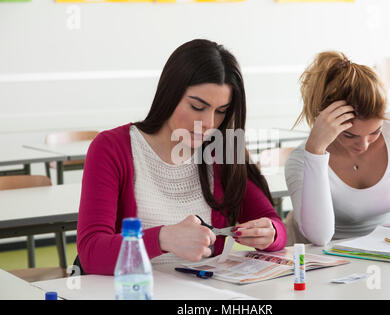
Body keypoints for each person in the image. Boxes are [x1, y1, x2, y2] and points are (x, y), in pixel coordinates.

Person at [75, 39, 286, 275]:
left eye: (221, 112)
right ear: (170, 93)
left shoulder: (222, 151)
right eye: (197, 107)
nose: (208, 123)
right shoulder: (112, 148)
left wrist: (271, 234)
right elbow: (91, 252)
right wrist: (164, 238)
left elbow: (275, 225)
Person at [285, 51, 390, 246]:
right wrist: (316, 152)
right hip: (335, 261)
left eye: (375, 132)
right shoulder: (301, 160)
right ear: (325, 121)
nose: (364, 145)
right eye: (350, 135)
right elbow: (319, 236)